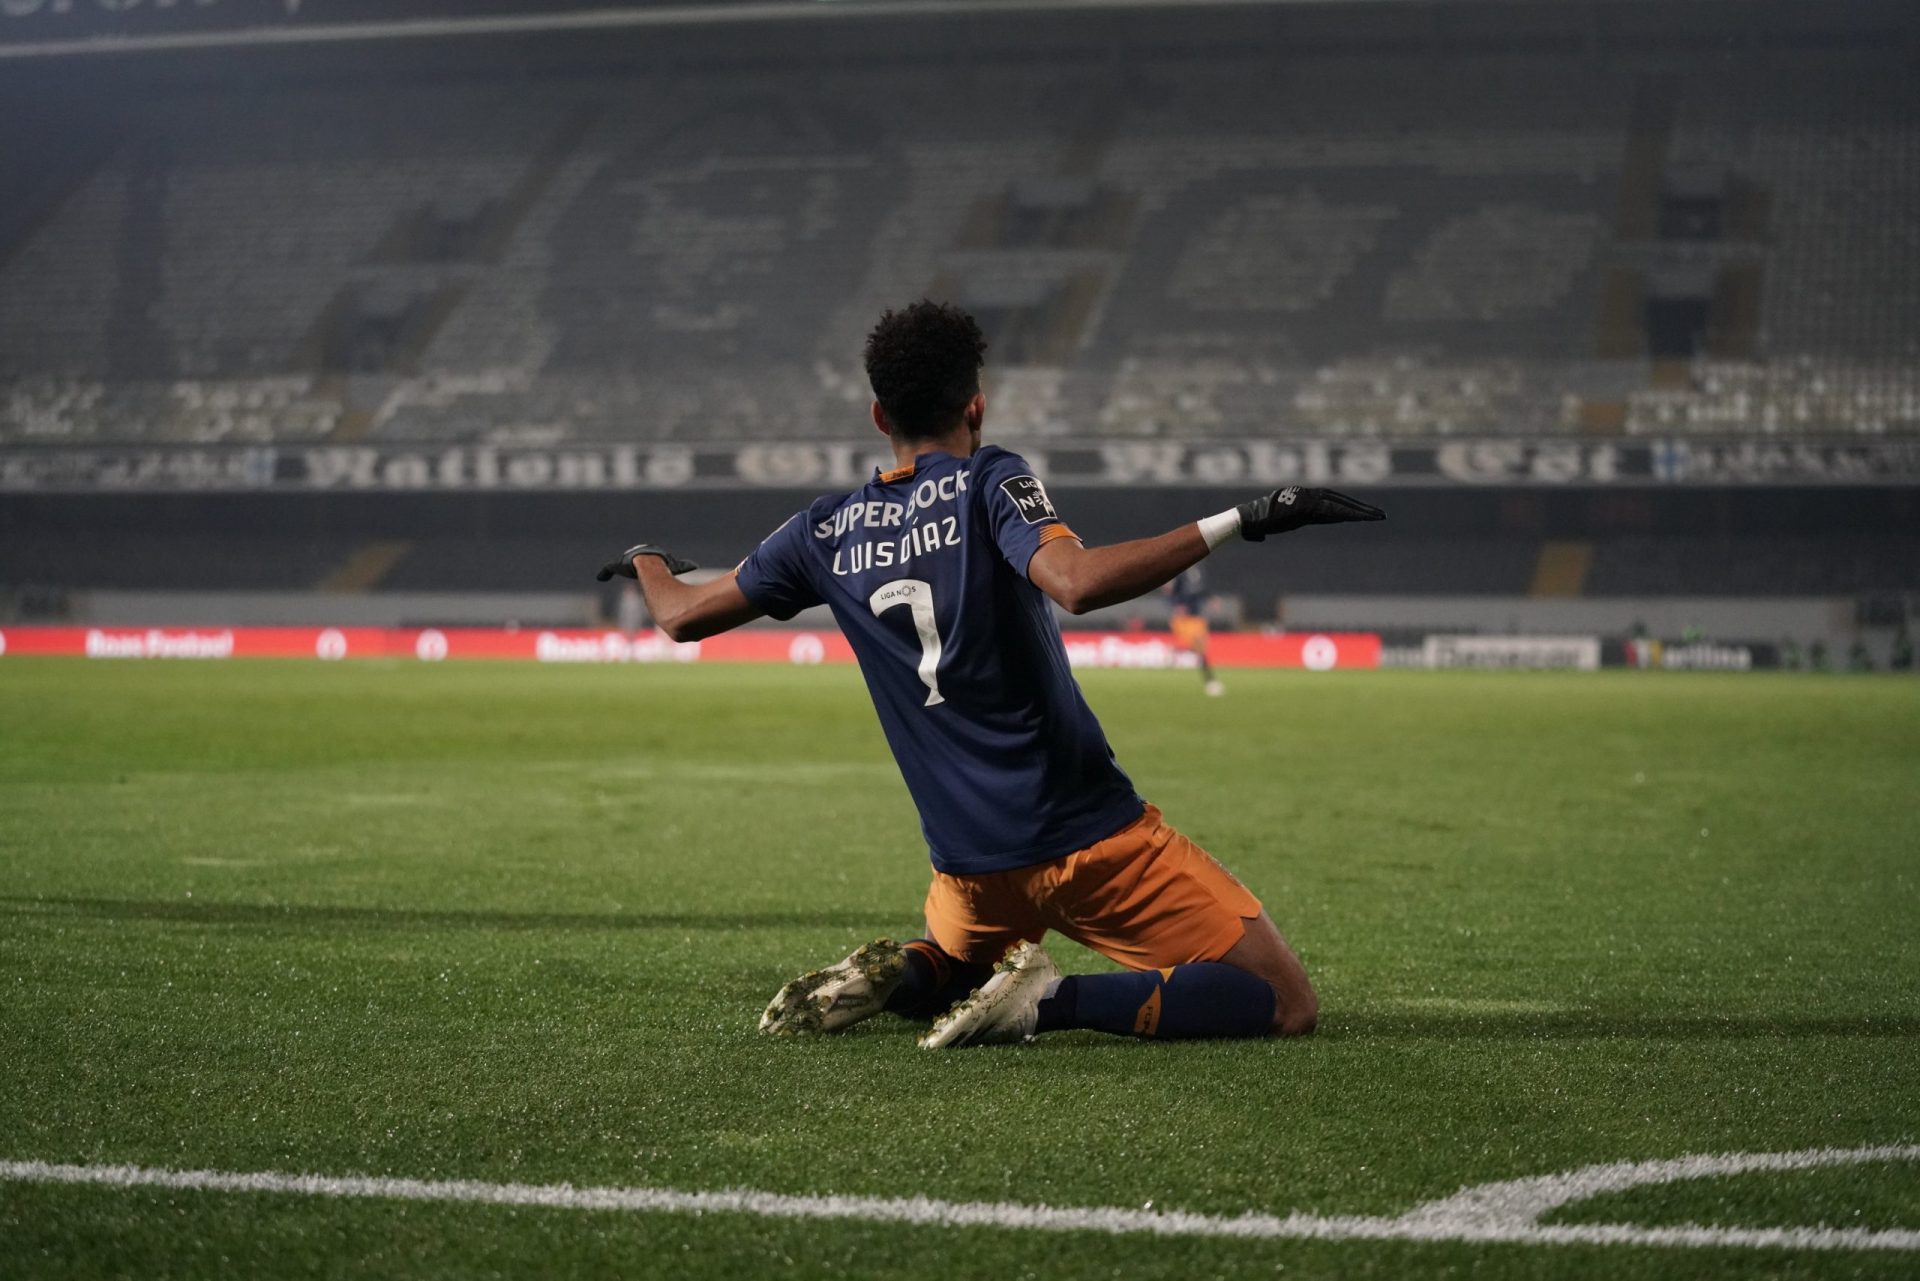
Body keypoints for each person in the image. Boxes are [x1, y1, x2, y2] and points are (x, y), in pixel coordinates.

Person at [597, 301, 1383, 1047]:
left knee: (955, 960)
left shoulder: (823, 530)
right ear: (976, 407)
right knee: (1282, 1002)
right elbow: (1075, 582)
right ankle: (1049, 1000)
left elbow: (678, 616)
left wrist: (646, 560)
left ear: (879, 416)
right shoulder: (988, 481)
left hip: (969, 871)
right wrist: (1243, 518)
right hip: (1085, 842)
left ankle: (907, 973)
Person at [1165, 566, 1225, 696]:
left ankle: (1174, 651)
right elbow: (1170, 591)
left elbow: (1201, 590)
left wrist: (1212, 598)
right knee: (1200, 649)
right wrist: (1177, 605)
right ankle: (1210, 681)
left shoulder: (1199, 571)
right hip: (1185, 619)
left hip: (1197, 617)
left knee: (1200, 650)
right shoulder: (1179, 573)